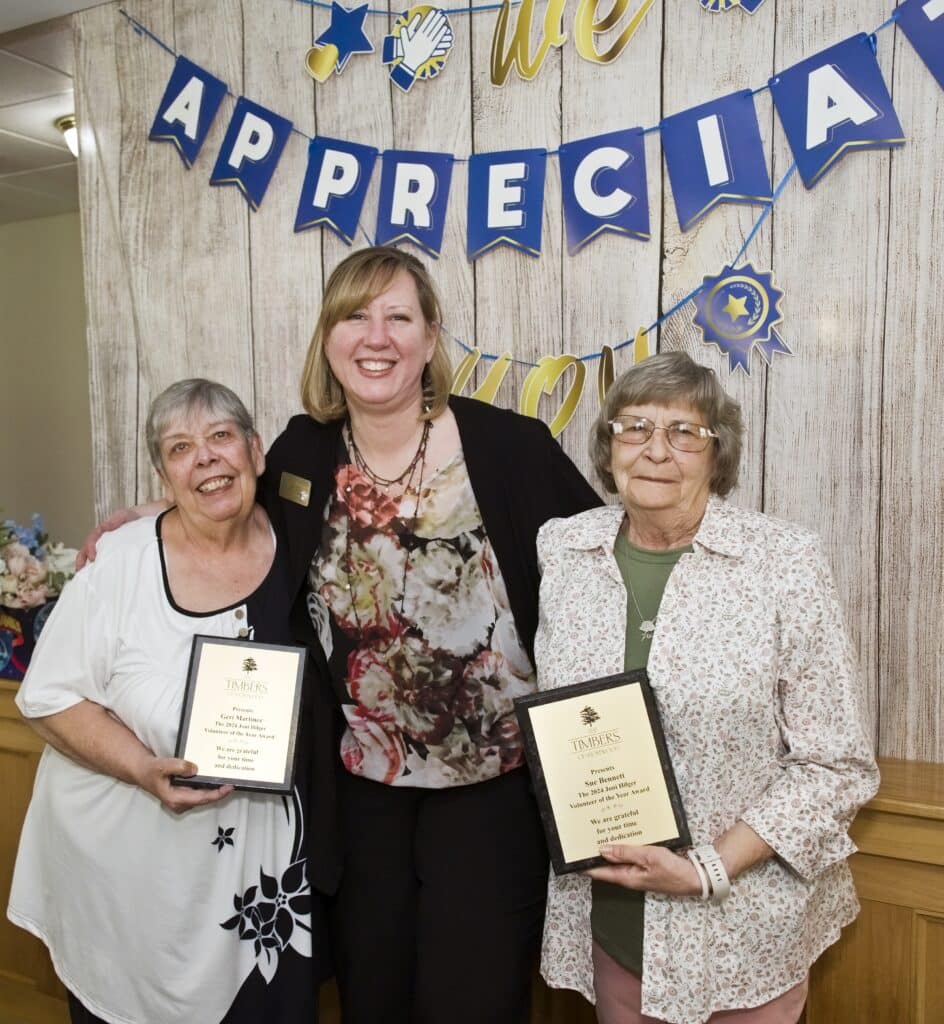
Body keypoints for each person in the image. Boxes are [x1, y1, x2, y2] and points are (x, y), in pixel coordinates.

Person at [76, 246, 602, 1023]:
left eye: (398, 316)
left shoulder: (510, 448)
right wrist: (146, 522)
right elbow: (231, 513)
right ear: (328, 339)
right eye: (355, 315)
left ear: (430, 338)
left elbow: (600, 562)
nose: (376, 335)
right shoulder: (301, 453)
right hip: (358, 798)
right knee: (372, 999)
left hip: (492, 797)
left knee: (476, 1004)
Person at [534, 351, 879, 1024]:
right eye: (634, 428)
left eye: (684, 432)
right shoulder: (565, 552)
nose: (657, 450)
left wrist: (705, 868)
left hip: (740, 932)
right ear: (608, 448)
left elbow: (836, 766)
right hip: (610, 921)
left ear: (716, 453)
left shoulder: (782, 562)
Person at [8, 380, 331, 1024]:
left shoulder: (301, 542)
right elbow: (46, 697)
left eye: (220, 437)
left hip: (262, 883)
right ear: (162, 474)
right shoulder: (122, 562)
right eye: (180, 448)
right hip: (130, 881)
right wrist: (139, 766)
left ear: (256, 452)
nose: (206, 458)